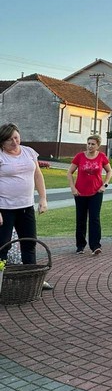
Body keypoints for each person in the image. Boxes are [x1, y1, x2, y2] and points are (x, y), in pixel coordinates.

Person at [0, 122, 52, 290]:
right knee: (3, 245)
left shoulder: (29, 152)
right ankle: (0, 281)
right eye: (9, 140)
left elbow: (38, 175)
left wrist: (43, 198)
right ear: (2, 142)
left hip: (26, 207)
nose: (14, 142)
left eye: (16, 137)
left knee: (29, 243)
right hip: (4, 209)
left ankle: (33, 279)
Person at [67, 134, 112, 255]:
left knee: (94, 219)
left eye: (93, 144)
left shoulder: (102, 156)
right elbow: (69, 172)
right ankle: (80, 246)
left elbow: (109, 171)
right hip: (80, 193)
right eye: (89, 143)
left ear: (98, 146)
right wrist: (73, 187)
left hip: (96, 192)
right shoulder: (80, 156)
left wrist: (105, 185)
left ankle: (96, 246)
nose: (90, 146)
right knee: (81, 219)